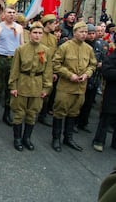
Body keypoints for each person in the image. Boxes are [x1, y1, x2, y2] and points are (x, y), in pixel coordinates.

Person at [51, 22, 97, 152]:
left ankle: (68, 138)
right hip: (65, 86)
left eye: (86, 32)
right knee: (59, 112)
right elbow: (56, 64)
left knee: (74, 113)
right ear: (75, 32)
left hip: (80, 88)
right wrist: (69, 75)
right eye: (81, 32)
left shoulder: (88, 49)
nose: (84, 35)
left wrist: (87, 74)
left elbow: (92, 65)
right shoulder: (65, 46)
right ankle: (56, 138)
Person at [8, 22, 53, 151]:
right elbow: (15, 69)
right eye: (35, 33)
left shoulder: (46, 51)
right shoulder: (21, 49)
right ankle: (17, 138)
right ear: (30, 34)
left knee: (32, 113)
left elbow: (48, 71)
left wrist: (46, 88)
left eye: (40, 33)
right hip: (23, 82)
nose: (37, 35)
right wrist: (13, 86)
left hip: (37, 84)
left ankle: (26, 138)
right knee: (19, 113)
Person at [0, 5, 23, 126]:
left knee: (11, 88)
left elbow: (22, 47)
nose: (11, 14)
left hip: (14, 59)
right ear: (4, 14)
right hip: (0, 58)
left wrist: (21, 64)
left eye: (13, 12)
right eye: (9, 12)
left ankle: (7, 113)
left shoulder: (19, 28)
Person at [76, 24, 105, 132]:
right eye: (89, 33)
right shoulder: (81, 45)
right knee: (79, 102)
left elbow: (103, 58)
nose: (92, 35)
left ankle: (83, 123)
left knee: (88, 103)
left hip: (94, 78)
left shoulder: (99, 45)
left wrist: (101, 64)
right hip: (82, 78)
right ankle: (75, 122)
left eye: (93, 33)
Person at [92, 48, 116, 152]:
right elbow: (106, 71)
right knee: (106, 118)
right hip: (113, 93)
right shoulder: (113, 56)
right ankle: (99, 141)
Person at [38, 14, 58, 126]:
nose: (55, 26)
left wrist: (54, 71)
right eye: (54, 23)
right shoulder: (39, 35)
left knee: (47, 92)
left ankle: (43, 115)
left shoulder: (54, 38)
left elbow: (55, 54)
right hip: (38, 67)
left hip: (49, 69)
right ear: (48, 24)